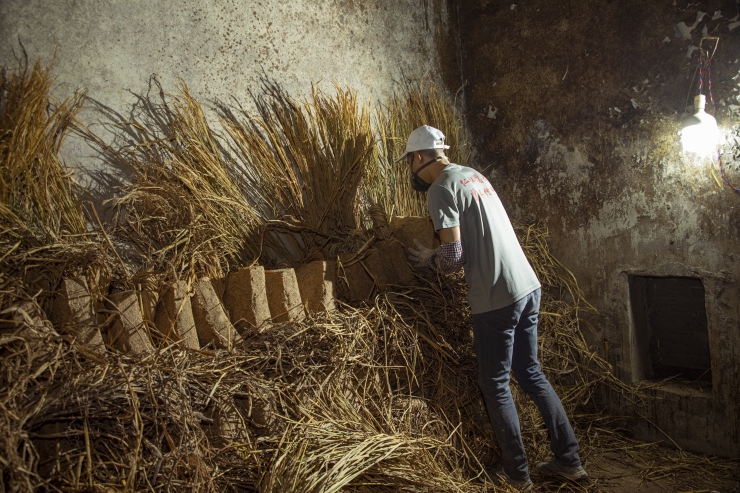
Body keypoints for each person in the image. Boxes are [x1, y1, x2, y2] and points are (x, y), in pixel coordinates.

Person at [399, 125, 588, 488]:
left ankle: (517, 475)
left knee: (496, 383)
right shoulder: (472, 175)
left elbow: (454, 258)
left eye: (409, 162)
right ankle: (569, 459)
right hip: (527, 286)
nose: (410, 171)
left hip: (496, 297)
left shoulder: (439, 189)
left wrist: (428, 260)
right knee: (531, 373)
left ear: (419, 157)